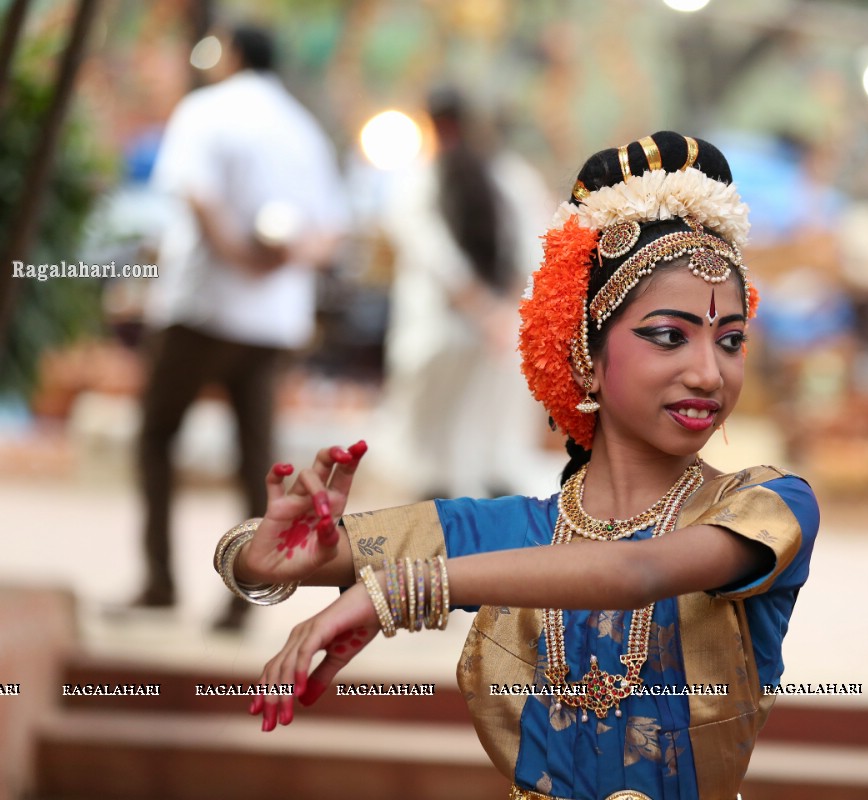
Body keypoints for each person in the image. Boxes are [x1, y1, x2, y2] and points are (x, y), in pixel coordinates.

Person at [216, 132, 819, 799]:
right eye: (669, 336)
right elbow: (323, 555)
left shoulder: (769, 507)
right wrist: (260, 557)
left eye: (730, 340)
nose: (709, 372)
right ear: (585, 351)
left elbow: (636, 570)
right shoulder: (518, 534)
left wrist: (399, 593)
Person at [134, 22, 348, 630]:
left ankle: (159, 580)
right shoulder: (303, 127)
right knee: (259, 460)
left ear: (230, 54)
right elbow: (330, 233)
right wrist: (278, 261)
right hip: (272, 320)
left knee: (156, 437)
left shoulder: (205, 110)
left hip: (201, 307)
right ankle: (247, 592)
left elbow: (196, 198)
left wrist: (237, 255)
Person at [380, 87, 560, 499]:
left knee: (436, 467)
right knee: (486, 459)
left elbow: (438, 260)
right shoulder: (512, 176)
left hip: (447, 335)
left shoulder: (420, 180)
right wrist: (500, 316)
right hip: (497, 334)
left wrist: (486, 314)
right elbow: (534, 252)